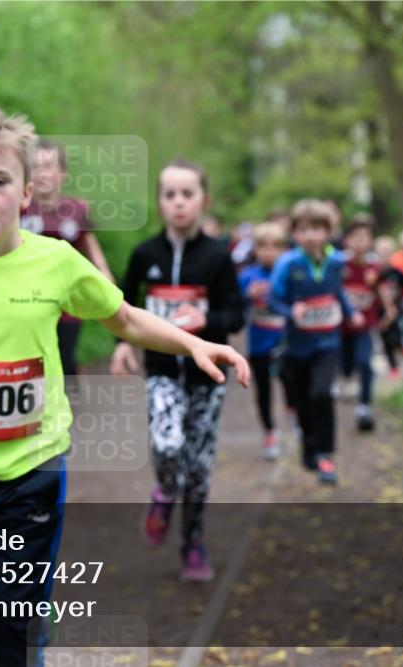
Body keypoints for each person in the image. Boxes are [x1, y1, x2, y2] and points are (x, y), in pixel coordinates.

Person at [0, 108, 249, 666]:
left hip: (31, 468)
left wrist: (191, 344)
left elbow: (125, 318)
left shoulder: (57, 262)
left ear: (26, 196)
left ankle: (25, 621)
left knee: (8, 627)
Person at [112, 158, 245, 581]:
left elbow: (236, 315)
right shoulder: (144, 255)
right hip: (162, 374)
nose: (179, 203)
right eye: (170, 195)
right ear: (159, 202)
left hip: (209, 378)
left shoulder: (217, 258)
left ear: (204, 200)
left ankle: (193, 544)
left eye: (188, 194)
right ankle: (165, 492)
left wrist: (205, 319)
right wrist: (120, 345)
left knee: (200, 469)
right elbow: (119, 306)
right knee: (168, 448)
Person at [269, 199, 363, 484]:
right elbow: (273, 298)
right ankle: (309, 446)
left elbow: (338, 292)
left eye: (317, 229)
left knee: (322, 394)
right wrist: (290, 311)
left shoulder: (335, 263)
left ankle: (325, 454)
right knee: (304, 401)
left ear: (328, 231)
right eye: (303, 229)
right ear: (294, 233)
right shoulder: (288, 263)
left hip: (327, 344)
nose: (310, 235)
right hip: (297, 347)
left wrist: (351, 313)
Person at [20, 138, 114, 377]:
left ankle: (66, 409)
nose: (42, 172)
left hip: (66, 302)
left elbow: (90, 247)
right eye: (36, 166)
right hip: (26, 299)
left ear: (63, 173)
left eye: (49, 165)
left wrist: (106, 279)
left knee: (64, 360)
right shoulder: (18, 209)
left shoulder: (77, 209)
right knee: (32, 363)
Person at [238, 223, 292, 459]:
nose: (269, 251)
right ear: (255, 249)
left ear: (284, 249)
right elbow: (236, 307)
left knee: (291, 382)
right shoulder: (247, 276)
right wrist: (248, 296)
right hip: (259, 343)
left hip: (287, 343)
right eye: (263, 246)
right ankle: (269, 431)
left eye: (275, 246)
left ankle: (295, 415)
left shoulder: (290, 273)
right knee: (263, 391)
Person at [339, 215, 396, 432]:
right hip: (342, 328)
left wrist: (389, 310)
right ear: (347, 240)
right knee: (346, 365)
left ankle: (364, 406)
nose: (361, 241)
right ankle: (344, 379)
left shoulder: (375, 268)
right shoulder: (339, 265)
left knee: (365, 362)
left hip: (365, 325)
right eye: (356, 237)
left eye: (365, 237)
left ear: (371, 240)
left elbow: (382, 290)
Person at [374, 236, 403, 379]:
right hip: (379, 312)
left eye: (387, 253)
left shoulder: (397, 273)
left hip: (396, 311)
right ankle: (393, 367)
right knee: (385, 339)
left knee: (396, 335)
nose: (383, 257)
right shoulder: (374, 273)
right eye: (380, 253)